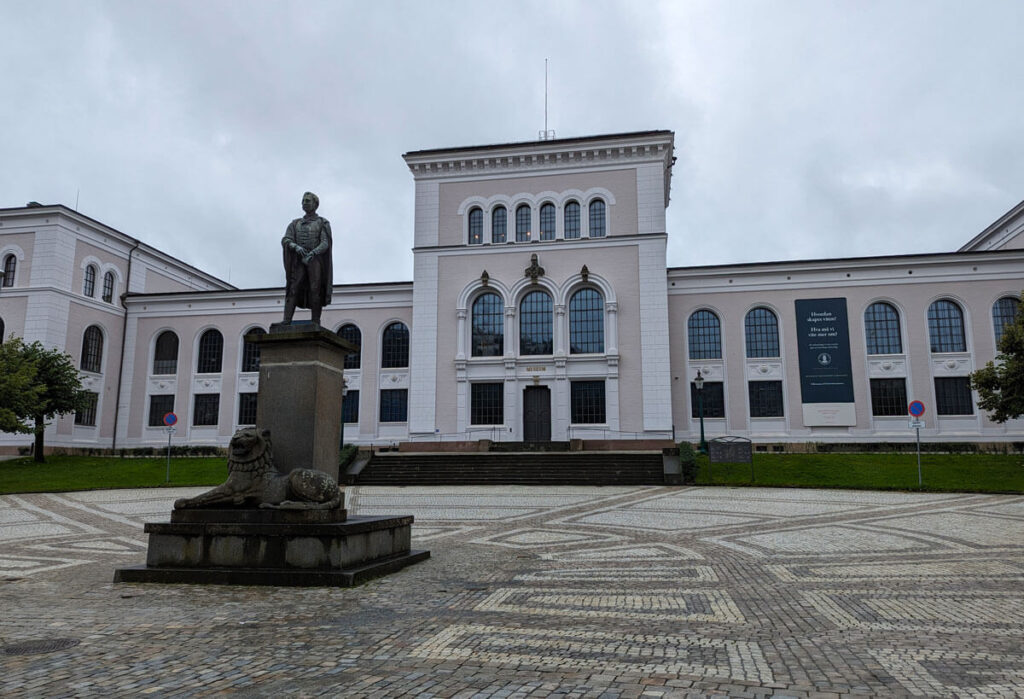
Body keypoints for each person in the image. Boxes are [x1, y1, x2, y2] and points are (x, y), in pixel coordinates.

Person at [282, 192, 333, 325]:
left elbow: (325, 243)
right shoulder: (295, 224)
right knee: (293, 288)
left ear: (315, 204)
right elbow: (286, 239)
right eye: (303, 201)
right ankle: (286, 320)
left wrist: (313, 253)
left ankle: (315, 321)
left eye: (308, 201)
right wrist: (295, 247)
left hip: (314, 261)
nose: (305, 203)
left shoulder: (322, 222)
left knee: (315, 289)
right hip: (298, 261)